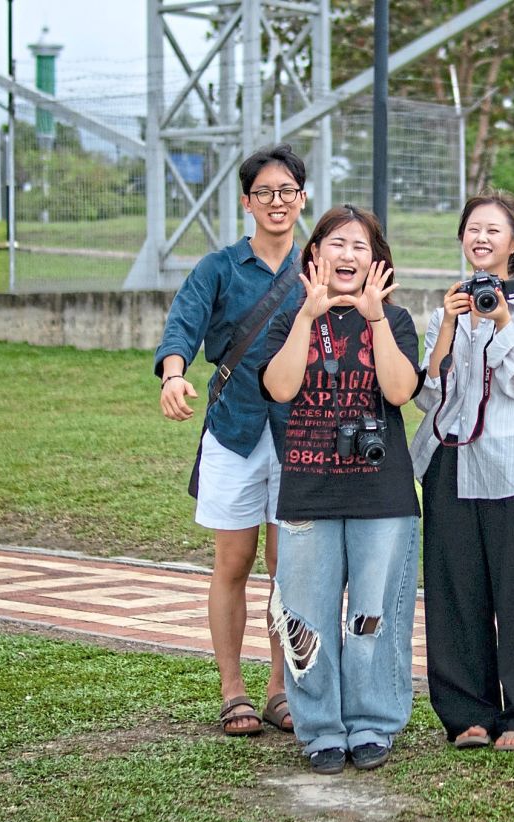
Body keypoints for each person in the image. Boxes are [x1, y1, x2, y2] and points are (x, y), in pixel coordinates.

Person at [259, 204, 421, 776]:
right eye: (336, 243)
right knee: (307, 616)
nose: (347, 255)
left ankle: (373, 723)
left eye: (360, 246)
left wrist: (375, 320)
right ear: (315, 255)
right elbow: (279, 389)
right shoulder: (291, 318)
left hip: (383, 496)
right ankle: (321, 728)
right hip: (309, 490)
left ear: (377, 261)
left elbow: (400, 392)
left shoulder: (395, 321)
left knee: (375, 615)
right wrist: (306, 316)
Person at [155, 144, 306, 737]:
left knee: (288, 565)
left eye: (286, 191)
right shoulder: (218, 267)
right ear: (247, 202)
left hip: (300, 433)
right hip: (234, 428)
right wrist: (173, 374)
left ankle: (280, 688)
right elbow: (183, 324)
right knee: (234, 561)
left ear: (301, 197)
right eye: (264, 192)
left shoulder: (317, 265)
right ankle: (232, 689)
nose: (276, 202)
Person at [410, 190, 514, 753]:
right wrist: (450, 329)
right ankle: (466, 714)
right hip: (448, 461)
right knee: (454, 591)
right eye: (474, 228)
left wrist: (500, 322)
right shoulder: (442, 312)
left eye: (494, 230)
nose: (481, 239)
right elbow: (427, 397)